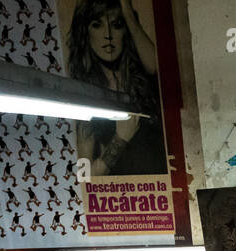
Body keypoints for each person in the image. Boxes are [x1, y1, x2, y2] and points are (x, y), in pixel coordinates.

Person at [66, 0, 165, 176]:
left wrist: (128, 14)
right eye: (97, 25)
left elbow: (163, 69)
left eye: (117, 25)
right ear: (85, 33)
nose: (108, 35)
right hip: (125, 196)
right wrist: (120, 139)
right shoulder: (85, 94)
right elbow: (84, 175)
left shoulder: (144, 78)